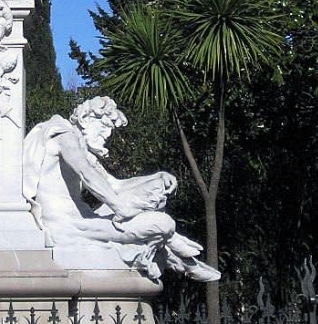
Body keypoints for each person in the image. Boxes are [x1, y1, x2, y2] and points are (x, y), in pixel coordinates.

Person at [23, 97, 220, 282]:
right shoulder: (63, 136)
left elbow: (115, 185)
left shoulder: (81, 147)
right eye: (105, 126)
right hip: (67, 225)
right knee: (163, 223)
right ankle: (185, 261)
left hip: (85, 219)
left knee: (156, 189)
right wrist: (120, 207)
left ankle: (179, 254)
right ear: (85, 119)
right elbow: (86, 174)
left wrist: (156, 177)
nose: (107, 135)